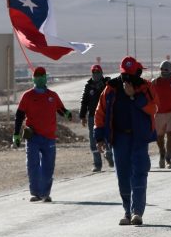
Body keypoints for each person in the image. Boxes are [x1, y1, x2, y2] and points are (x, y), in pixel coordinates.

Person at [96, 56, 157, 225]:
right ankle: (127, 212)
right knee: (123, 176)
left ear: (137, 72)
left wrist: (134, 97)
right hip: (119, 137)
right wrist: (99, 137)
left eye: (131, 75)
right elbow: (100, 113)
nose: (127, 79)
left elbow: (154, 107)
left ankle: (137, 211)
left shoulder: (145, 87)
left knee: (139, 173)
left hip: (139, 137)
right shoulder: (111, 89)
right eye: (125, 74)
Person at [13, 66, 72, 202]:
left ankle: (45, 193)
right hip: (33, 136)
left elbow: (61, 109)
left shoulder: (52, 96)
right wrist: (16, 134)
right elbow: (19, 115)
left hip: (49, 137)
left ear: (46, 78)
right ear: (33, 78)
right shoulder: (27, 96)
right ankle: (36, 193)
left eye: (41, 76)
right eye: (37, 76)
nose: (39, 78)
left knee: (48, 166)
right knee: (32, 164)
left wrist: (67, 113)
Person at [79, 64, 113, 172]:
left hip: (106, 116)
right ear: (91, 73)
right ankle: (97, 164)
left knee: (108, 136)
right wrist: (82, 116)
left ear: (101, 73)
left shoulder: (107, 83)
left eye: (98, 72)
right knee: (93, 140)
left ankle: (110, 155)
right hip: (92, 117)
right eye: (94, 72)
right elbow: (84, 101)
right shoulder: (89, 86)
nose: (96, 74)